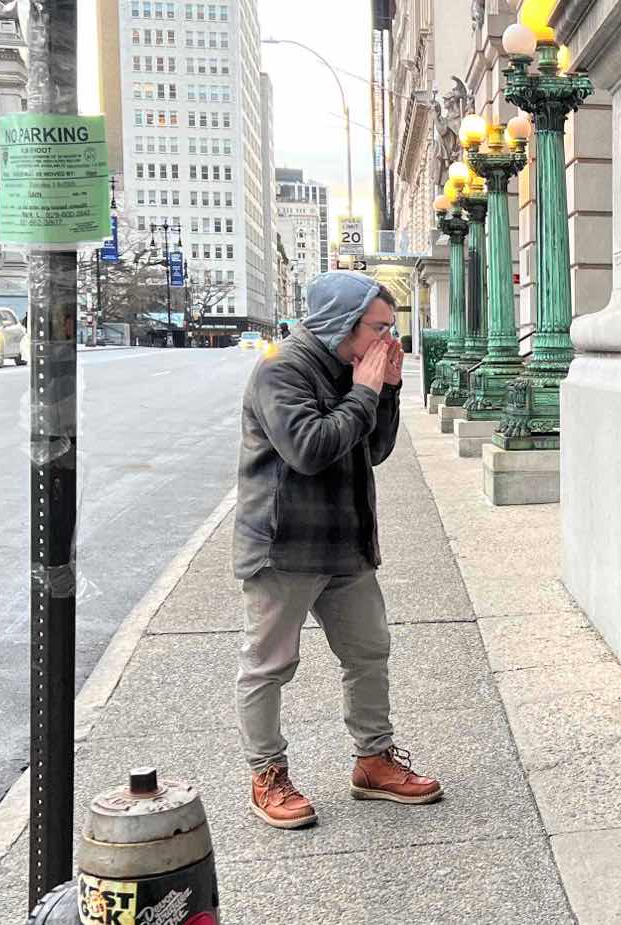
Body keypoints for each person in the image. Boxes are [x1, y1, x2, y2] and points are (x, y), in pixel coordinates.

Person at [233, 270, 441, 830]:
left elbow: (372, 449)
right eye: (378, 328)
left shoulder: (356, 365)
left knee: (369, 650)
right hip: (284, 544)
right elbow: (308, 449)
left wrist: (387, 390)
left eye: (389, 329)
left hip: (345, 540)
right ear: (342, 323)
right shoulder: (282, 367)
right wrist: (368, 390)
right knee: (270, 665)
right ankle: (267, 773)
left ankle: (373, 759)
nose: (387, 340)